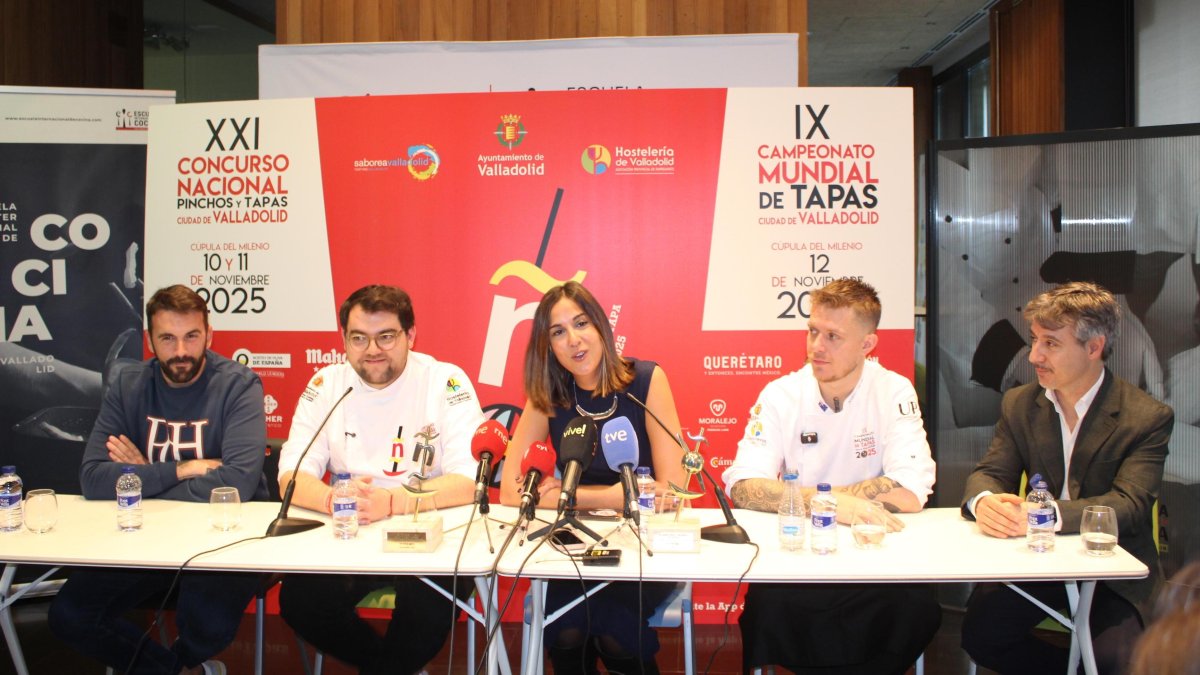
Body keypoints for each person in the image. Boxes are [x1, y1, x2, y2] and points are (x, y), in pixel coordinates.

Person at [721, 278, 940, 675]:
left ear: (867, 345)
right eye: (812, 331)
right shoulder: (780, 393)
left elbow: (912, 485)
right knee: (770, 606)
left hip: (875, 559)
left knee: (917, 607)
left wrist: (826, 501)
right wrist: (832, 503)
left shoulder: (893, 389)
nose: (816, 347)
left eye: (833, 336)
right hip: (800, 557)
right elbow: (743, 486)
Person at [48, 285, 269, 675]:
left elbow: (235, 486)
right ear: (150, 340)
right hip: (146, 533)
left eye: (191, 337)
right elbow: (94, 479)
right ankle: (185, 672)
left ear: (209, 335)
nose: (181, 351)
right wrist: (182, 468)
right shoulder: (128, 384)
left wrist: (141, 474)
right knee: (71, 615)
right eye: (167, 338)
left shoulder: (238, 385)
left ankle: (183, 666)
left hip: (223, 537)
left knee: (206, 624)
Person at [960, 281, 1174, 675]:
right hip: (1035, 560)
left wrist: (1045, 515)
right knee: (981, 635)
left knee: (1115, 659)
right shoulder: (1020, 403)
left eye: (1051, 344)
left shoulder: (1145, 417)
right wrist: (985, 501)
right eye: (1035, 340)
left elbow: (1128, 505)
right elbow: (990, 473)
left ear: (1094, 348)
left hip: (1112, 566)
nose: (1034, 356)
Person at [276, 284, 483, 675]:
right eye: (359, 338)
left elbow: (470, 481)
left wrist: (395, 501)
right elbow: (290, 474)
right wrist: (331, 499)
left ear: (410, 335)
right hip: (351, 532)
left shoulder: (445, 382)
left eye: (386, 336)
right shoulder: (326, 385)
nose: (372, 349)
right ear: (344, 340)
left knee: (427, 604)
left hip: (427, 538)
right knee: (300, 600)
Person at [499, 281, 685, 675]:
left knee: (612, 628)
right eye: (558, 332)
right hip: (573, 547)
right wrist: (610, 498)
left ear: (601, 326)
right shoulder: (547, 395)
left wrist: (567, 494)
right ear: (547, 345)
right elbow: (512, 493)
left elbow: (675, 488)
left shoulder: (646, 382)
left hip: (642, 548)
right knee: (567, 628)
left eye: (581, 323)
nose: (574, 340)